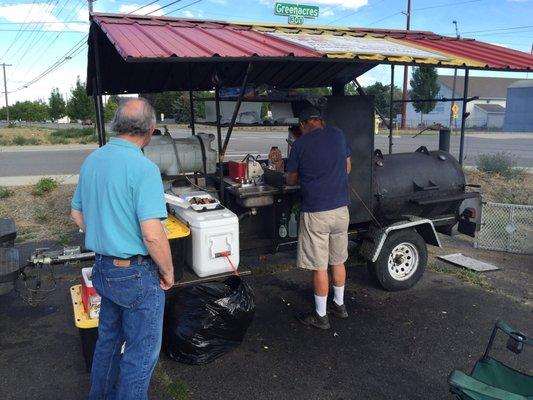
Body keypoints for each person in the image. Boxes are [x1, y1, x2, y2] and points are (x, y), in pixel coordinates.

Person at [70, 98, 174, 399]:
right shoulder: (144, 169)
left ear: (116, 124)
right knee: (140, 355)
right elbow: (153, 235)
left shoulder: (93, 159)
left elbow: (76, 213)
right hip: (136, 273)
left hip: (103, 267)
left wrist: (106, 230)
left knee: (107, 342)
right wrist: (168, 272)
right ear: (151, 130)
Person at [285, 106, 352, 330]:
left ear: (303, 124)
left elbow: (291, 180)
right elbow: (348, 167)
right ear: (320, 121)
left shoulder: (300, 144)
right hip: (341, 209)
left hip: (316, 213)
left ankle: (321, 316)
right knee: (338, 260)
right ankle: (340, 306)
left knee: (319, 266)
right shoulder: (338, 134)